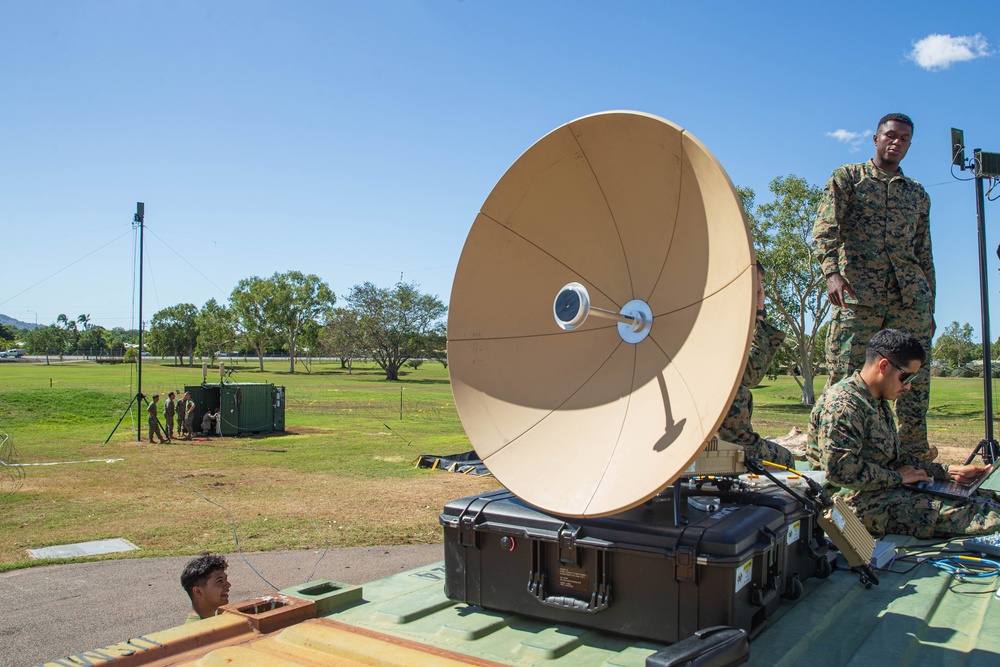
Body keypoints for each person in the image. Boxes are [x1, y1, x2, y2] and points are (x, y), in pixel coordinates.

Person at [811, 113, 935, 461]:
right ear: (876, 137)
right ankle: (829, 453)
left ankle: (911, 455)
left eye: (904, 139)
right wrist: (831, 273)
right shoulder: (847, 178)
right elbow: (824, 231)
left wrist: (931, 306)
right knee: (844, 375)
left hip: (909, 301)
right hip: (858, 298)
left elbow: (924, 253)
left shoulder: (917, 195)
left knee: (913, 382)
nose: (897, 143)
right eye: (891, 135)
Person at [807, 329, 999, 538]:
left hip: (879, 490)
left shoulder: (874, 399)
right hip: (847, 503)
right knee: (969, 514)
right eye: (906, 377)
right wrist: (897, 478)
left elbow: (893, 458)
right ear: (883, 366)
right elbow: (839, 471)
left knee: (985, 498)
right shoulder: (842, 405)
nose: (908, 387)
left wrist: (946, 472)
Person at [718, 260, 795, 469]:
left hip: (719, 439)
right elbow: (752, 374)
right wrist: (758, 315)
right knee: (785, 460)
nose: (760, 297)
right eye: (757, 290)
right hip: (731, 443)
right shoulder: (722, 330)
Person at [181, 553, 231, 623]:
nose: (228, 585)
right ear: (198, 591)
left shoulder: (210, 623)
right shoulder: (196, 630)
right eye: (219, 581)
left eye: (225, 579)